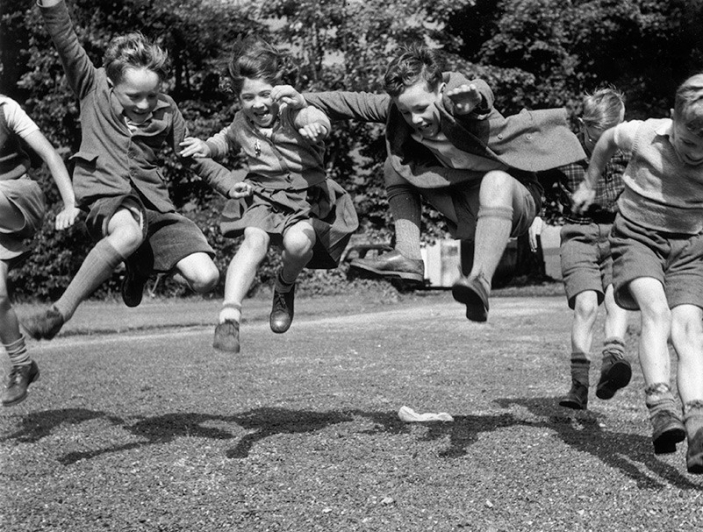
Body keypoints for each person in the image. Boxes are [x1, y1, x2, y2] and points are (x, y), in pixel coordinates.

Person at [301, 44, 584, 322]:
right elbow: (347, 101)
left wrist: (472, 101)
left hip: (516, 198)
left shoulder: (458, 97)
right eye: (406, 111)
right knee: (394, 164)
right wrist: (290, 97)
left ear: (440, 90)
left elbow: (481, 91)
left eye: (422, 108)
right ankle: (408, 255)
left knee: (495, 182)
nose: (416, 119)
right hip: (467, 205)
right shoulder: (400, 110)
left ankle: (480, 283)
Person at [22, 0, 236, 341]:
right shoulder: (92, 87)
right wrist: (51, 4)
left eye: (152, 95)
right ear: (111, 84)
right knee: (128, 233)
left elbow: (190, 155)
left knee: (206, 277)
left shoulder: (167, 110)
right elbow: (65, 39)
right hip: (107, 194)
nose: (144, 104)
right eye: (133, 96)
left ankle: (140, 266)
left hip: (154, 204)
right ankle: (58, 313)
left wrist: (228, 182)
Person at [572, 63, 703, 474]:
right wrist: (591, 184)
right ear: (675, 117)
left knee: (690, 328)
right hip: (636, 238)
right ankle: (661, 407)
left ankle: (700, 430)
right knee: (656, 311)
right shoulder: (647, 133)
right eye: (688, 141)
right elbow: (608, 141)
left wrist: (701, 272)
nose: (697, 153)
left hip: (687, 250)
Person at [180, 36, 358, 353]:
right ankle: (229, 318)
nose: (258, 104)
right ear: (238, 98)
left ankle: (284, 285)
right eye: (248, 97)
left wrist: (317, 126)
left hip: (305, 196)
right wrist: (204, 147)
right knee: (254, 241)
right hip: (262, 194)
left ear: (277, 89)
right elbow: (224, 140)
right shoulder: (240, 122)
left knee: (299, 243)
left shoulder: (291, 110)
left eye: (265, 94)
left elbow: (313, 117)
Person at [532, 88, 632, 410]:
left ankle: (611, 365)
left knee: (618, 298)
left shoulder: (630, 151)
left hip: (621, 233)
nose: (604, 143)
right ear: (582, 124)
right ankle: (578, 385)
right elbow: (539, 184)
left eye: (611, 135)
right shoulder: (564, 151)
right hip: (579, 233)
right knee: (587, 306)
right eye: (596, 135)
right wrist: (535, 213)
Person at [0, 94, 80, 405]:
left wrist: (71, 203)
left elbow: (50, 155)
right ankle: (23, 366)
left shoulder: (6, 108)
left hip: (21, 197)